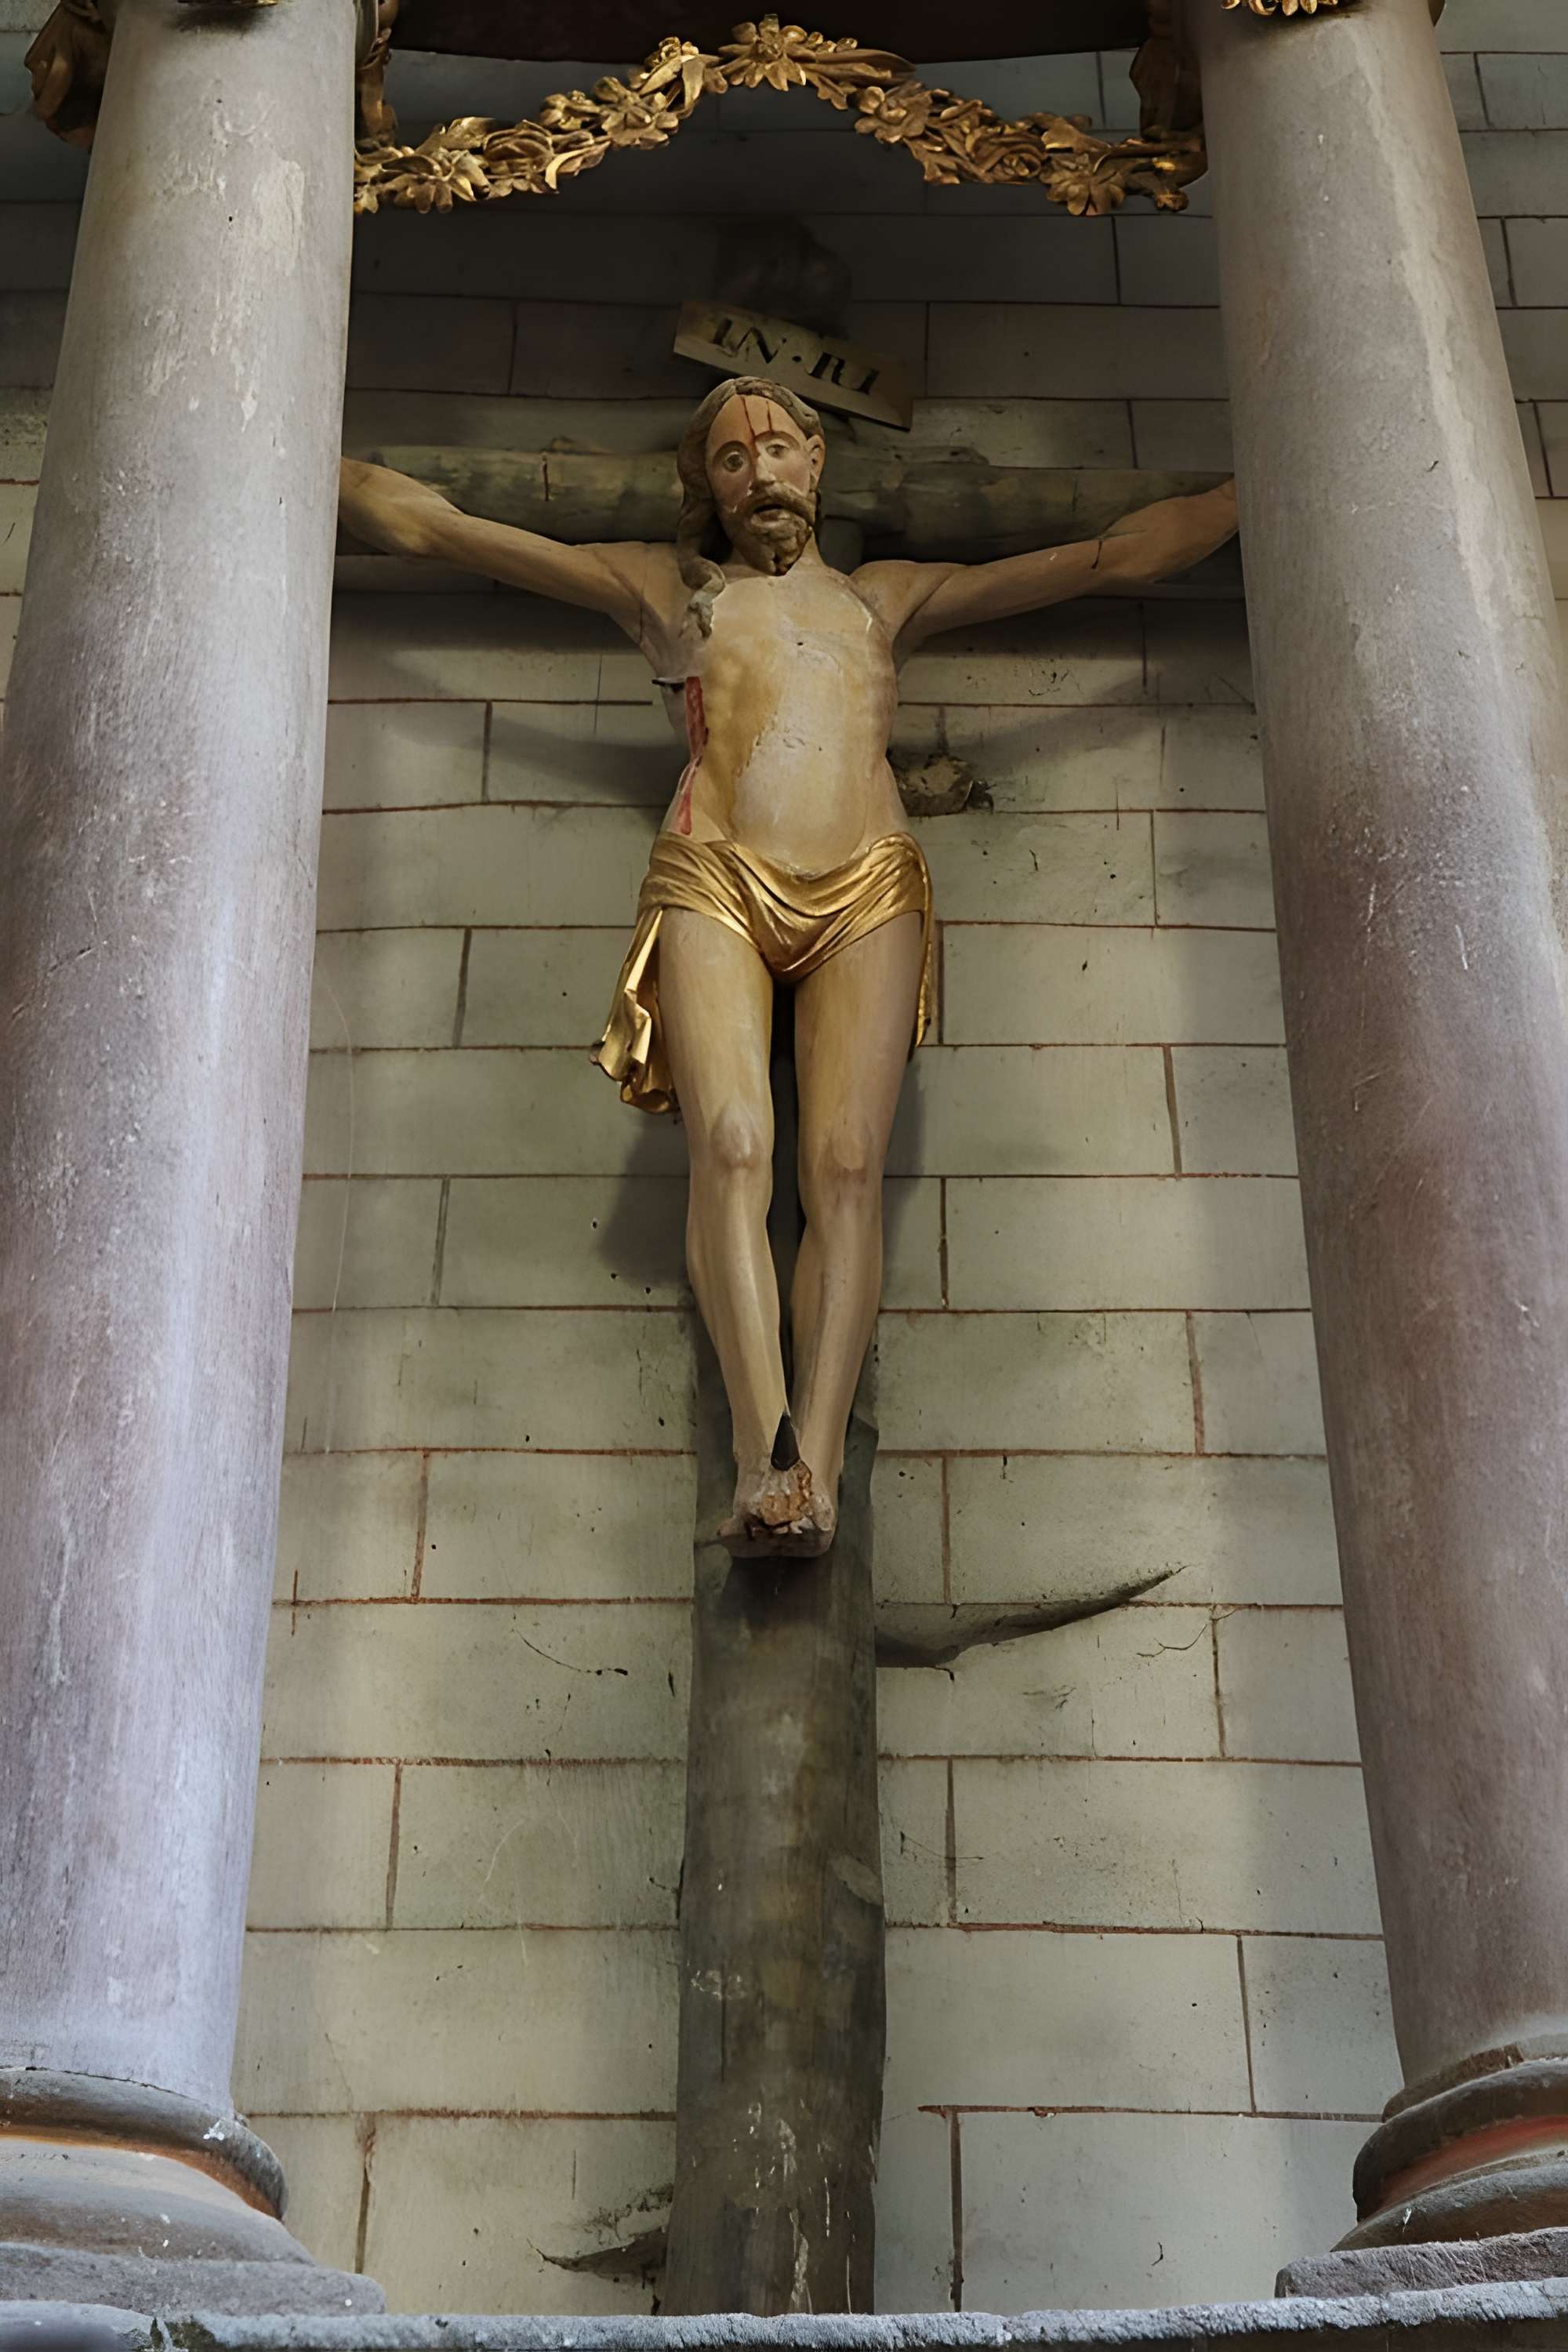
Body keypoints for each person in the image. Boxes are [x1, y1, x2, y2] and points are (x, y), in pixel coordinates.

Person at [339, 376, 1238, 1559]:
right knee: (733, 1145)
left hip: (865, 879)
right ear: (704, 489)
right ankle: (758, 1453)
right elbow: (452, 531)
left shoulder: (884, 600)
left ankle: (814, 1465)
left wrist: (1254, 482)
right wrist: (308, 450)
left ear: (818, 461)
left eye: (776, 446)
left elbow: (1108, 559)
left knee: (847, 1163)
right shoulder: (669, 591)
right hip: (717, 869)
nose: (757, 470)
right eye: (728, 458)